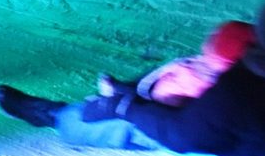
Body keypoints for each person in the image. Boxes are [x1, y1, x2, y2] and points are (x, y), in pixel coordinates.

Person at [0, 0, 265, 156]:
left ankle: (56, 116)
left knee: (119, 121)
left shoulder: (240, 90)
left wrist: (127, 108)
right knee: (181, 76)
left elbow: (182, 135)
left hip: (243, 153)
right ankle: (128, 94)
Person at [99, 19, 256, 106]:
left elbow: (156, 109)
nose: (209, 39)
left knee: (88, 115)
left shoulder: (197, 88)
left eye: (214, 39)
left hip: (149, 104)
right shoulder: (202, 64)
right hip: (156, 84)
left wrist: (120, 92)